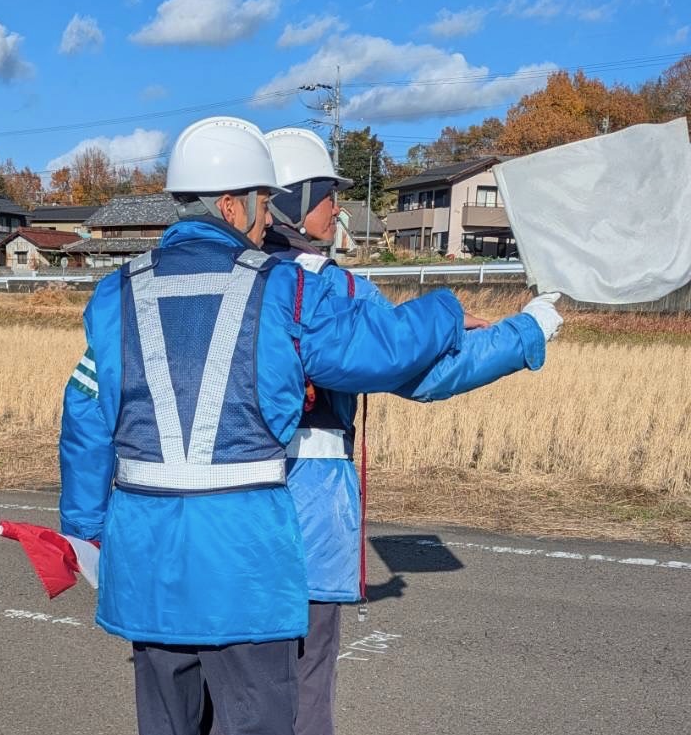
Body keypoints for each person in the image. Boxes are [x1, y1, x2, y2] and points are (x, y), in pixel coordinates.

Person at [59, 116, 485, 735]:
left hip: (147, 565)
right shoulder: (283, 290)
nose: (267, 220)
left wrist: (87, 533)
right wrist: (446, 309)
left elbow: (83, 422)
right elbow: (382, 348)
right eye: (261, 204)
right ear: (231, 204)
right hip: (246, 568)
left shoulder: (112, 295)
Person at [259, 127, 562, 735]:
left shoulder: (212, 277)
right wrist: (526, 331)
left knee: (233, 675)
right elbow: (423, 373)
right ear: (292, 200)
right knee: (307, 673)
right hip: (308, 504)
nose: (338, 207)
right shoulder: (331, 289)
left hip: (218, 509)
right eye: (327, 193)